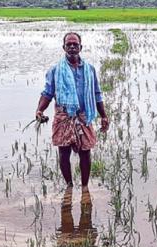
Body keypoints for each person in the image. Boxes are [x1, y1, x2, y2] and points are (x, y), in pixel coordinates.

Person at [35, 32, 109, 192]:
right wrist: (40, 110)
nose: (72, 47)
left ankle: (84, 187)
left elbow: (97, 94)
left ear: (81, 47)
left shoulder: (89, 70)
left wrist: (104, 115)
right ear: (64, 47)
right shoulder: (55, 70)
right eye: (69, 44)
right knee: (64, 152)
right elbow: (47, 93)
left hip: (83, 116)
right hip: (64, 116)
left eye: (75, 44)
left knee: (85, 152)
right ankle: (69, 185)